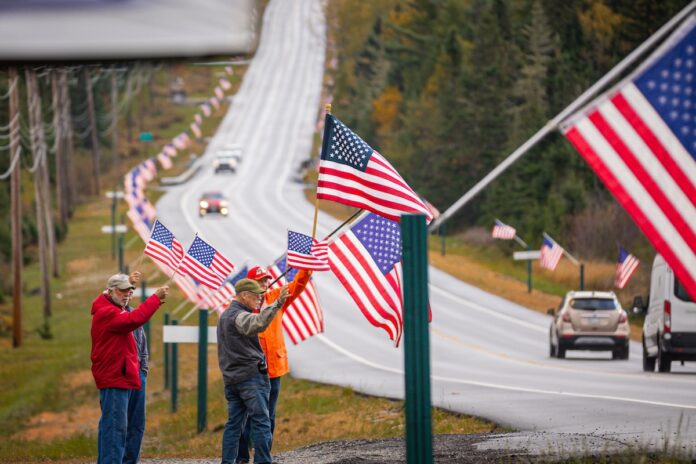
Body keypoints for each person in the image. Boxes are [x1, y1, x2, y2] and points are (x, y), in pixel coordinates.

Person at [91, 271, 169, 464]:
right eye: (122, 291)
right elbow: (134, 320)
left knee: (134, 427)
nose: (127, 294)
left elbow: (129, 313)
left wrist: (128, 283)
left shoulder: (115, 306)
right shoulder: (107, 312)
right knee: (115, 430)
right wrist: (155, 299)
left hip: (129, 374)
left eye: (130, 291)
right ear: (110, 292)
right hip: (115, 377)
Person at [236, 266, 312, 464]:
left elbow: (297, 286)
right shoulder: (244, 306)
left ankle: (263, 456)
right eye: (260, 280)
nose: (265, 283)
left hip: (274, 367)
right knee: (246, 415)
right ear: (250, 284)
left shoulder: (275, 297)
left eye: (266, 279)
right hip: (251, 370)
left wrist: (306, 269)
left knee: (269, 415)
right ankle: (242, 457)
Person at [218, 278, 289, 464]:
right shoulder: (238, 316)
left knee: (234, 424)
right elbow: (258, 323)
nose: (260, 298)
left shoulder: (224, 316)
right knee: (261, 421)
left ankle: (228, 461)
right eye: (256, 295)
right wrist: (278, 303)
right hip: (250, 379)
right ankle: (263, 461)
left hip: (232, 380)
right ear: (244, 295)